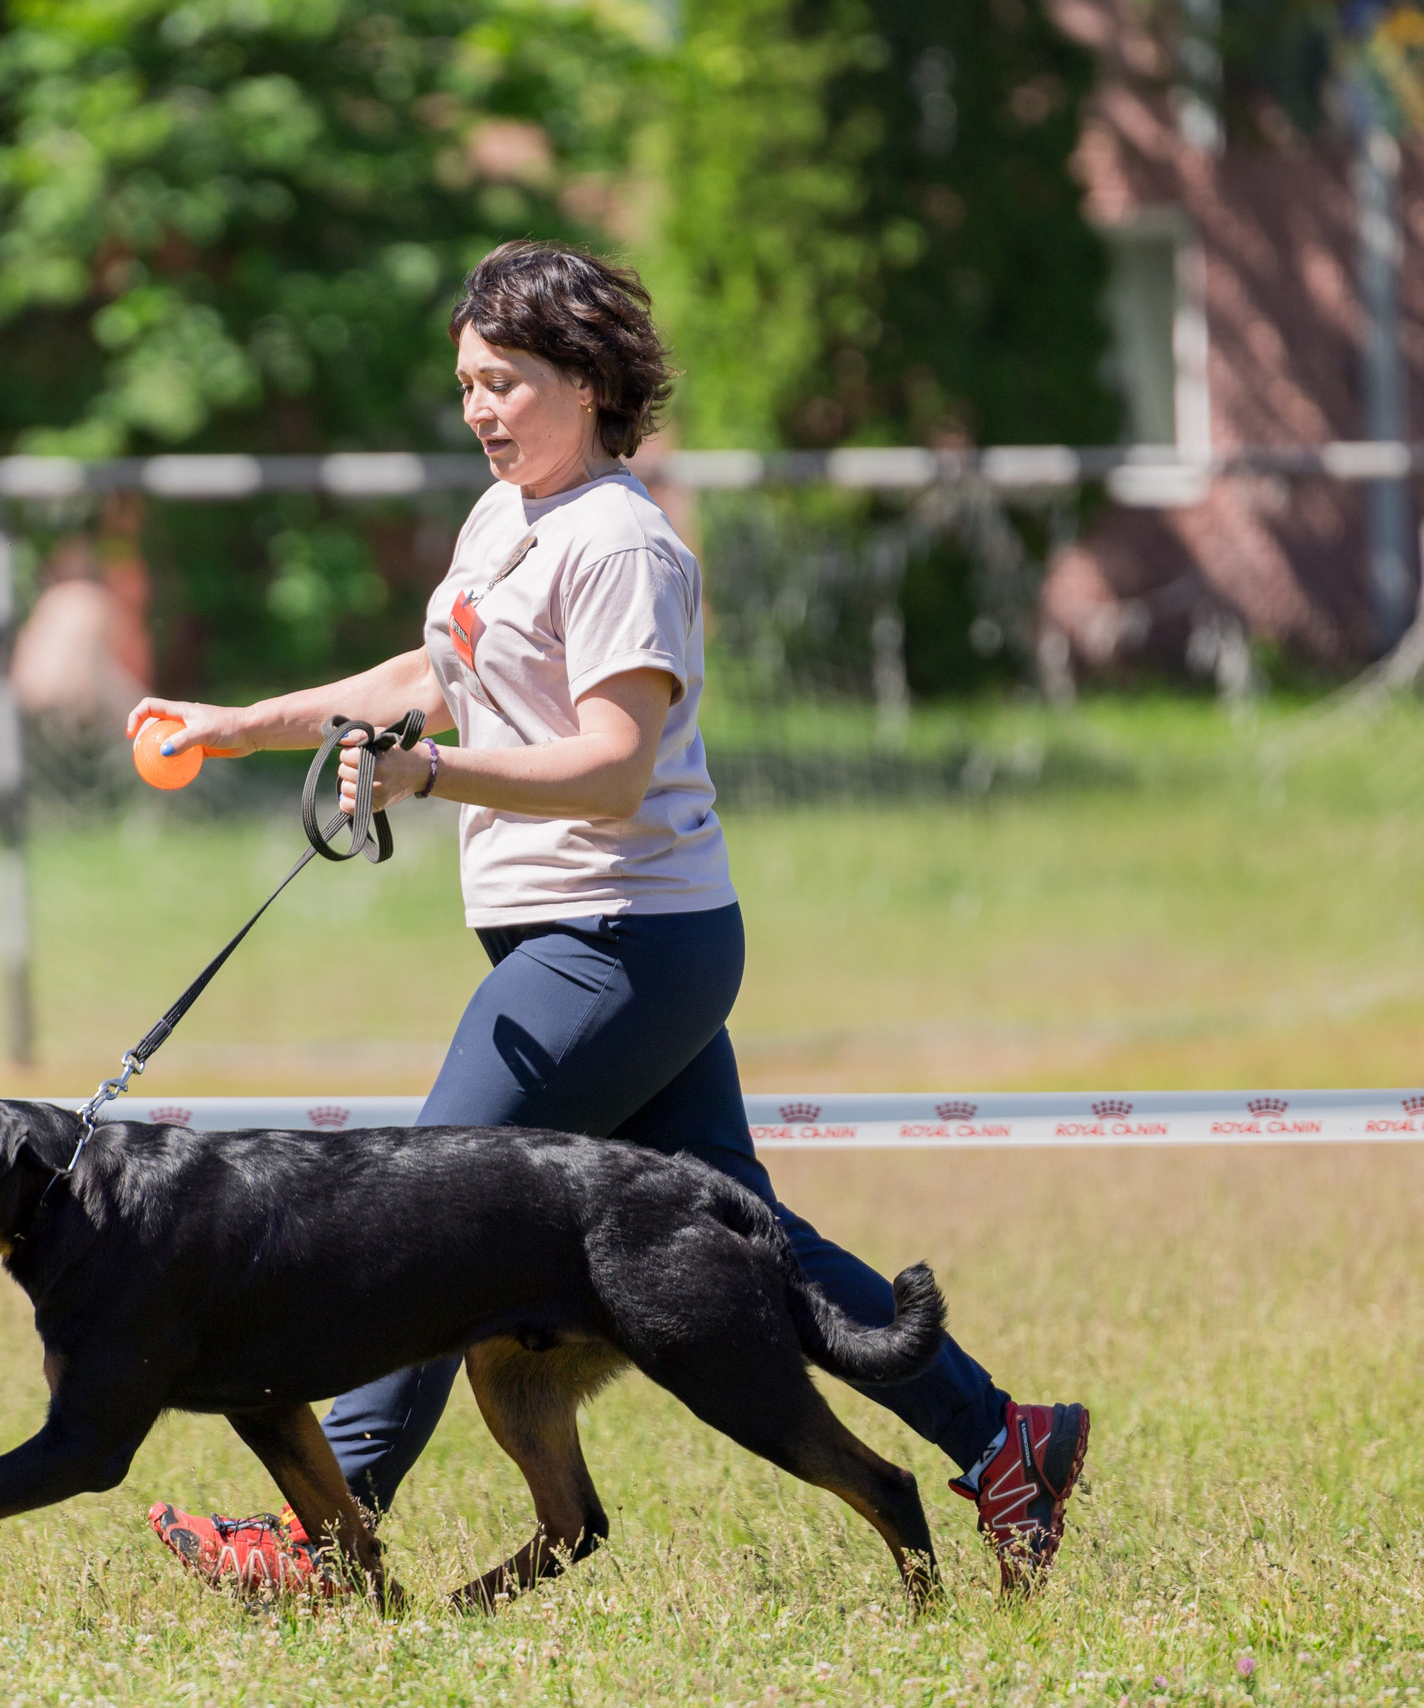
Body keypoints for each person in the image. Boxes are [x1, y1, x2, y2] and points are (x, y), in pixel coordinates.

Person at [123, 241, 1087, 1596]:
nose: (481, 409)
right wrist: (242, 728)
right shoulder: (502, 516)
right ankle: (1006, 1440)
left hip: (621, 940)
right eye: (467, 383)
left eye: (507, 381)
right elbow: (435, 672)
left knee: (422, 1218)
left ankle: (316, 1540)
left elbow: (611, 763)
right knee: (745, 1241)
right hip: (582, 944)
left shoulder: (623, 541)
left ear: (587, 379)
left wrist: (425, 773)